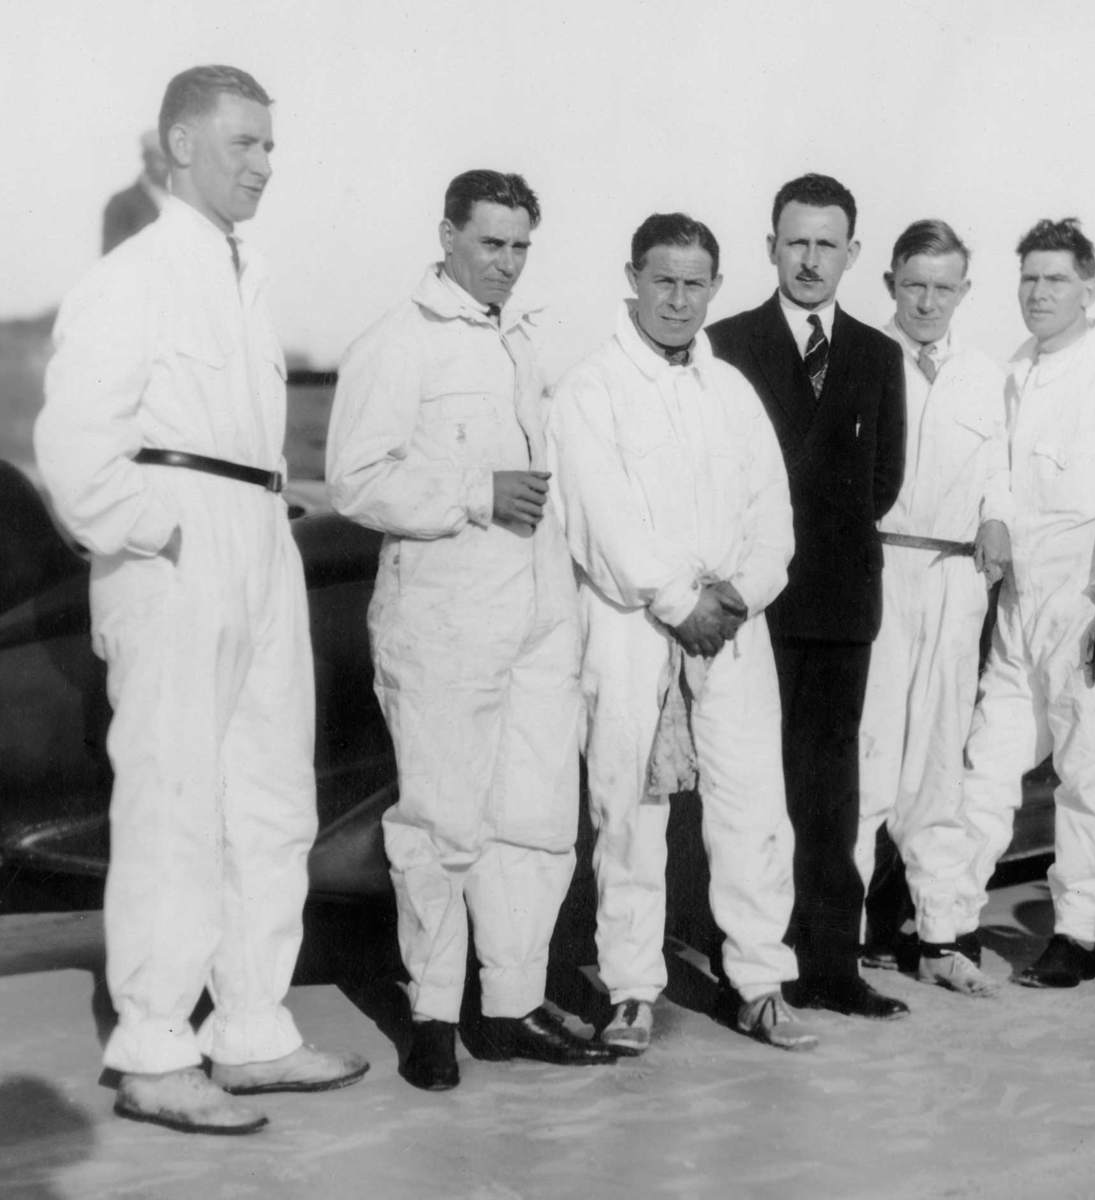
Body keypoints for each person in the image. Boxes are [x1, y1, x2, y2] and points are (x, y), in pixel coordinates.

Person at [35, 64, 368, 1136]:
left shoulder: (244, 275)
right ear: (179, 146)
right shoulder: (130, 276)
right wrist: (161, 532)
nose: (265, 166)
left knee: (269, 795)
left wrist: (254, 525)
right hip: (176, 545)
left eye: (272, 146)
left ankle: (252, 1028)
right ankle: (153, 1047)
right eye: (243, 145)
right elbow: (77, 455)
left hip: (256, 531)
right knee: (174, 800)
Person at [327, 169, 615, 1092]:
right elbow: (355, 481)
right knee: (442, 824)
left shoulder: (524, 342)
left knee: (531, 819)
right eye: (491, 242)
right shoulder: (397, 342)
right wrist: (472, 493)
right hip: (442, 617)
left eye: (522, 245)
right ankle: (433, 1017)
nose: (508, 263)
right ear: (446, 234)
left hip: (537, 614)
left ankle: (512, 1004)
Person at [547, 213, 816, 1055]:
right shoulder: (592, 388)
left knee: (749, 802)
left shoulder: (729, 391)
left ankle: (761, 982)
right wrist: (675, 600)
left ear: (715, 287)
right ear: (632, 277)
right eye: (661, 279)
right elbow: (601, 517)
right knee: (629, 806)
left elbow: (772, 513)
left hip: (732, 625)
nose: (677, 298)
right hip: (633, 625)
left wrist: (740, 593)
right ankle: (631, 988)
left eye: (694, 282)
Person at [916, 218, 1095, 988]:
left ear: (1089, 290)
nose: (1038, 293)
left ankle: (1078, 933)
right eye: (1028, 278)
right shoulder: (1008, 376)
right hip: (1018, 611)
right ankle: (948, 920)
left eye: (1055, 279)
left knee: (1090, 779)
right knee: (986, 769)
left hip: (1089, 609)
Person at [707, 174, 909, 1020]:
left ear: (853, 254)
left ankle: (830, 963)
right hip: (752, 609)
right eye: (797, 242)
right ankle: (754, 963)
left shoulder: (876, 353)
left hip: (837, 604)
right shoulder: (725, 343)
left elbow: (885, 482)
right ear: (770, 247)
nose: (811, 259)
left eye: (828, 244)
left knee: (830, 791)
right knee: (749, 788)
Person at [855, 220, 1012, 998]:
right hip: (878, 566)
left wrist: (998, 516)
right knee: (867, 757)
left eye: (943, 287)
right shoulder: (858, 356)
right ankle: (836, 939)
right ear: (890, 282)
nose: (927, 301)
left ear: (964, 292)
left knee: (940, 765)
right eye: (913, 284)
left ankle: (941, 935)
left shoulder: (986, 377)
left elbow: (1003, 472)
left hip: (954, 578)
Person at [103, 129, 171, 254]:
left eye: (169, 160)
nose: (166, 166)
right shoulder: (122, 204)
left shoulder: (181, 200)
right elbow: (113, 260)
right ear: (145, 158)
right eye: (160, 159)